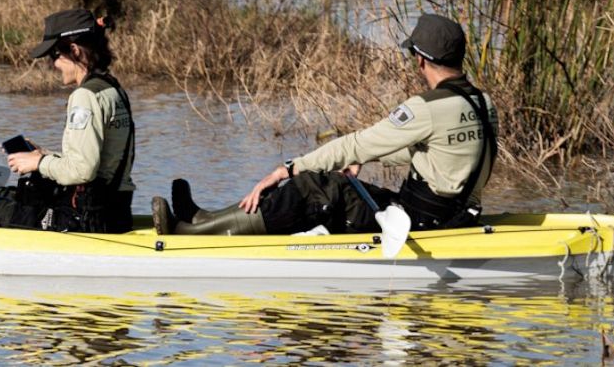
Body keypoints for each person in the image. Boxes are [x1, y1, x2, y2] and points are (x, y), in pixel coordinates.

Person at [159, 14, 496, 236]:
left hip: (417, 223)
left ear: (420, 59)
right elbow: (445, 157)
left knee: (316, 187)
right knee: (335, 184)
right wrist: (373, 157)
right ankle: (205, 218)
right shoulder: (483, 102)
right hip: (453, 217)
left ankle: (192, 235)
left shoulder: (426, 108)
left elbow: (353, 144)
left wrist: (286, 169)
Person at [0, 8, 138, 233]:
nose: (54, 64)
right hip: (118, 212)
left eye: (55, 56)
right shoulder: (113, 88)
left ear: (74, 50)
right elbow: (98, 164)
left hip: (86, 219)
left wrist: (39, 164)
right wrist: (44, 155)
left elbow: (83, 171)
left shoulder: (84, 97)